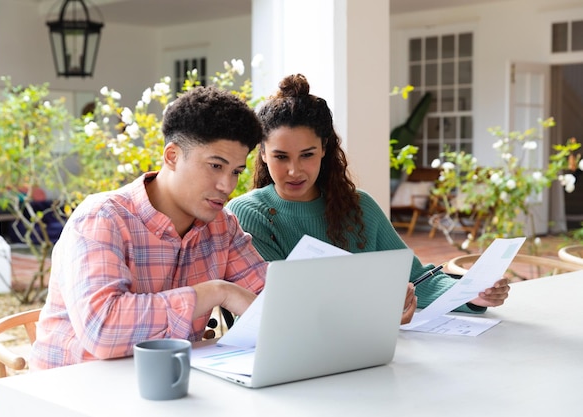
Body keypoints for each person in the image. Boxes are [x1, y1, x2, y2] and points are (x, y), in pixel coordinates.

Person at [226, 74, 509, 320]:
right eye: (280, 156)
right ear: (262, 153)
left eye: (307, 155)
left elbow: (413, 277)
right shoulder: (249, 213)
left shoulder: (358, 206)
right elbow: (278, 305)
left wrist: (472, 295)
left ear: (324, 148)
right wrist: (378, 314)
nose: (294, 170)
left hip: (366, 351)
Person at [30, 86, 267, 370]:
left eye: (236, 172)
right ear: (172, 156)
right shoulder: (102, 218)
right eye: (216, 166)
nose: (227, 186)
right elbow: (103, 330)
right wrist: (216, 292)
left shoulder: (221, 226)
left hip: (164, 383)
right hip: (72, 388)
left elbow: (272, 299)